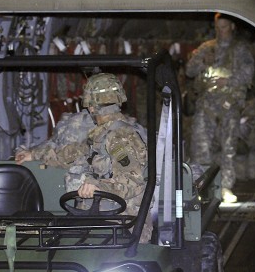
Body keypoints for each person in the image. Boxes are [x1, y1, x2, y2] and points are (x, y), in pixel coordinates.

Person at [15, 73, 152, 242]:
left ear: (91, 107)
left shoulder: (120, 137)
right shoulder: (101, 134)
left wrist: (98, 186)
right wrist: (34, 154)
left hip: (122, 227)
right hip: (102, 222)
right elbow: (73, 154)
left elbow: (134, 183)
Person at [185, 13, 255, 203]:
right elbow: (189, 70)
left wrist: (228, 80)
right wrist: (202, 62)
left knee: (228, 147)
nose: (221, 31)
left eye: (224, 27)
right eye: (218, 27)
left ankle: (225, 187)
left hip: (229, 105)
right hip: (206, 104)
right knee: (201, 146)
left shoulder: (240, 49)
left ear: (232, 27)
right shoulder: (207, 48)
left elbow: (248, 75)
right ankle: (203, 187)